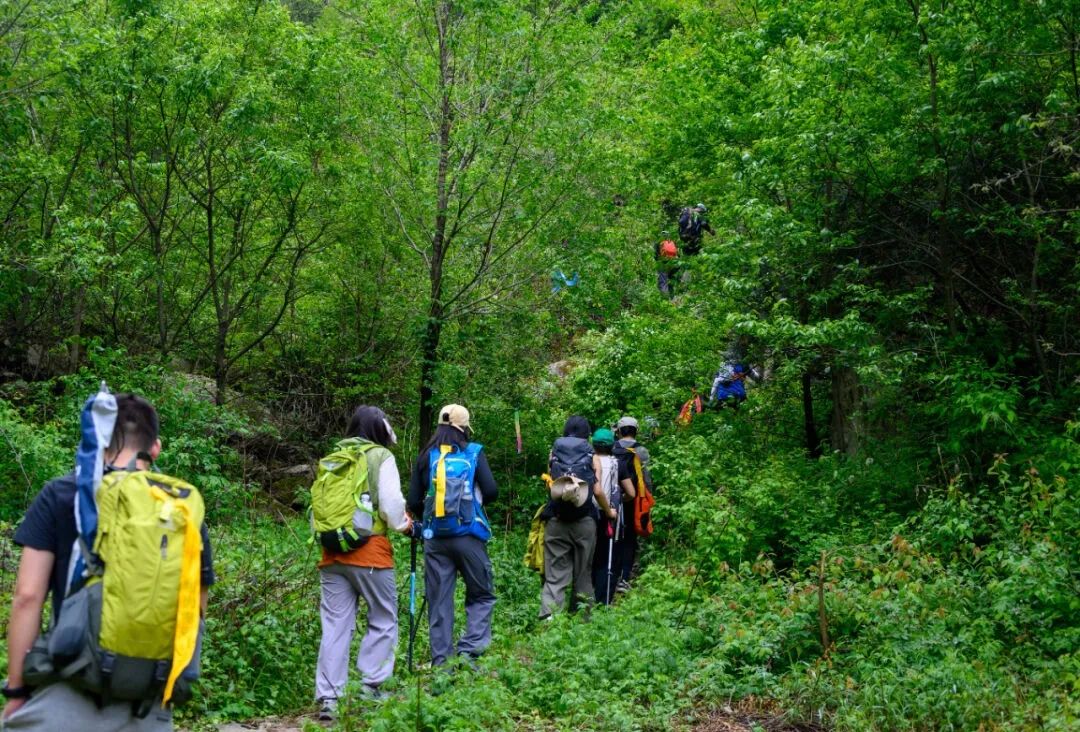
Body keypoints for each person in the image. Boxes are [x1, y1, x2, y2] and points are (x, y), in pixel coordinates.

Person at [3, 394, 215, 731]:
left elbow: (27, 597)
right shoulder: (182, 510)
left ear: (97, 438)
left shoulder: (62, 493)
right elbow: (196, 611)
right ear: (155, 448)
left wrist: (16, 690)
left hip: (67, 694)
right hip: (148, 707)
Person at [314, 406, 413, 721]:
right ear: (380, 430)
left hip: (332, 553)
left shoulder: (333, 459)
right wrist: (406, 526)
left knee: (334, 625)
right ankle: (373, 688)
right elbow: (392, 504)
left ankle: (329, 698)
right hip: (370, 553)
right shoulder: (380, 456)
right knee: (383, 618)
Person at [406, 405, 498, 669]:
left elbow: (413, 500)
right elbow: (491, 491)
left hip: (434, 539)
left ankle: (442, 665)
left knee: (439, 601)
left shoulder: (426, 456)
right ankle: (469, 654)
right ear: (464, 427)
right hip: (469, 535)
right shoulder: (473, 452)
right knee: (481, 594)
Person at [539, 417, 617, 619]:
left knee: (555, 573)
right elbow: (598, 490)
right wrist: (609, 512)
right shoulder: (592, 456)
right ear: (587, 435)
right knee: (583, 572)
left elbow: (552, 483)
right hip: (585, 521)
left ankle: (549, 619)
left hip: (556, 518)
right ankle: (582, 619)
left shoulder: (554, 452)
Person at [590, 428, 634, 604]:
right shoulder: (618, 463)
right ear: (611, 445)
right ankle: (603, 599)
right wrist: (620, 500)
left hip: (587, 513)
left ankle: (585, 597)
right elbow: (631, 492)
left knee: (589, 556)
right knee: (606, 556)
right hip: (609, 514)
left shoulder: (587, 461)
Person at [611, 416, 653, 592]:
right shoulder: (641, 451)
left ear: (619, 431)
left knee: (612, 536)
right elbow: (647, 479)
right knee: (629, 538)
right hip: (634, 501)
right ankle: (625, 578)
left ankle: (610, 575)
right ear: (635, 430)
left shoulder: (611, 449)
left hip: (612, 500)